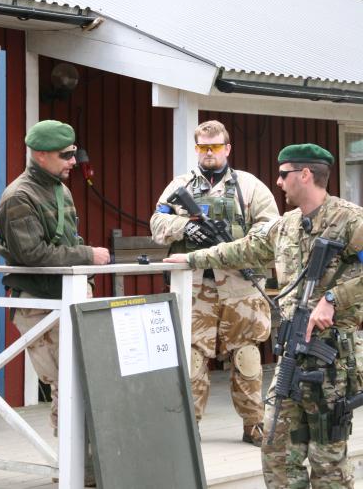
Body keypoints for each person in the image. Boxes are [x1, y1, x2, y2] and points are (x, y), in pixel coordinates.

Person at [165, 143, 363, 488]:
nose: (279, 181)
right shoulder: (286, 225)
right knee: (276, 451)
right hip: (292, 358)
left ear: (305, 174)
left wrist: (333, 298)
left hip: (332, 362)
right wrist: (192, 259)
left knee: (327, 461)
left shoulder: (350, 220)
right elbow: (244, 249)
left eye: (284, 174)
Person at [150, 120, 279, 446]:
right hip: (195, 287)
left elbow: (270, 228)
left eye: (216, 146)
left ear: (227, 148)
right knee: (192, 357)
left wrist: (238, 247)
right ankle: (188, 428)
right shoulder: (180, 185)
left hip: (240, 285)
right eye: (203, 147)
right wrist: (185, 227)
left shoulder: (249, 186)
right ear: (197, 149)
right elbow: (157, 222)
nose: (209, 152)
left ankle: (254, 424)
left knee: (247, 356)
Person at [0, 119, 109, 486]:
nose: (73, 161)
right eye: (66, 155)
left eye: (74, 153)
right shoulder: (19, 197)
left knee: (85, 378)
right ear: (40, 155)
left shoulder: (61, 190)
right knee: (67, 381)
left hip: (67, 297)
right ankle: (75, 467)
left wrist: (84, 274)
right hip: (39, 303)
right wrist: (88, 256)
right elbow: (32, 255)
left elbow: (66, 242)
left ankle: (84, 465)